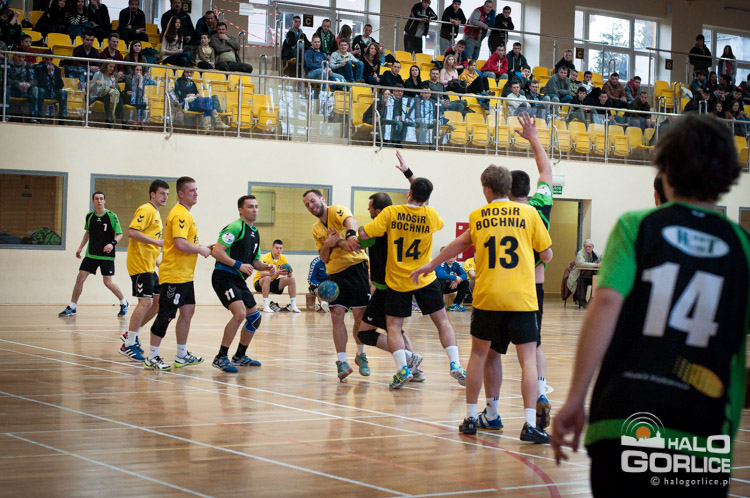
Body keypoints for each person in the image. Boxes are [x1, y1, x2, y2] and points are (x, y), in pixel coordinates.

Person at [551, 114, 749, 497]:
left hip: (623, 417)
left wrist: (575, 397)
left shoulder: (636, 226)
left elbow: (605, 304)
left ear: (666, 171)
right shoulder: (742, 246)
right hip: (703, 431)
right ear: (729, 175)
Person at [410, 163, 552, 441]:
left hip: (488, 297)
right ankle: (529, 425)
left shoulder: (478, 216)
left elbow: (459, 244)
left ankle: (471, 418)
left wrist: (430, 265)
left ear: (486, 188)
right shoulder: (530, 214)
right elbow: (546, 254)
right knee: (528, 359)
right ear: (508, 187)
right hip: (522, 298)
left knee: (479, 355)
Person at [475, 113, 555, 433]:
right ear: (530, 189)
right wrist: (534, 139)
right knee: (533, 349)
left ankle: (491, 411)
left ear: (506, 190)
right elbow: (547, 171)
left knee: (493, 352)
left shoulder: (502, 213)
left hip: (501, 288)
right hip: (533, 289)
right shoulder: (540, 205)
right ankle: (540, 392)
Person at [359, 169, 466, 389]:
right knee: (442, 322)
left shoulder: (391, 213)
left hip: (399, 280)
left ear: (409, 192)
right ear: (427, 198)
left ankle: (403, 369)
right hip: (425, 278)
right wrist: (410, 175)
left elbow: (365, 234)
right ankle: (455, 364)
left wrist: (358, 231)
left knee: (394, 327)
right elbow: (429, 210)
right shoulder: (431, 215)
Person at [355, 158, 426, 382]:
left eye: (369, 208)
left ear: (378, 211)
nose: (368, 211)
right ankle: (415, 369)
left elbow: (358, 240)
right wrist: (409, 174)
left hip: (386, 287)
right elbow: (422, 196)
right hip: (401, 283)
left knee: (366, 332)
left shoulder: (375, 230)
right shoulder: (403, 222)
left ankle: (409, 360)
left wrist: (349, 234)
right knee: (396, 329)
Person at [302, 189, 371, 381]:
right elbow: (324, 258)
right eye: (307, 204)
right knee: (336, 316)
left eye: (312, 201)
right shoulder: (316, 228)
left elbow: (351, 221)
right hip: (335, 275)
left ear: (322, 199)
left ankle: (361, 354)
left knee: (359, 317)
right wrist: (329, 244)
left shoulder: (336, 211)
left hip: (356, 269)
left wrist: (349, 236)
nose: (310, 206)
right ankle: (341, 361)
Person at [146, 176, 213, 371]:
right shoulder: (180, 214)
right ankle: (151, 357)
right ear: (181, 194)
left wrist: (204, 247)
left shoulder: (186, 214)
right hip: (174, 275)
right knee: (166, 315)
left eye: (196, 189)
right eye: (192, 190)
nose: (196, 193)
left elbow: (187, 243)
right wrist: (200, 249)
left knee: (188, 311)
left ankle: (182, 355)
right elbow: (179, 243)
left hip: (185, 275)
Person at [210, 195, 277, 372]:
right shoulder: (235, 227)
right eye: (250, 207)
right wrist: (238, 265)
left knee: (254, 318)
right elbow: (217, 251)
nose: (254, 210)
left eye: (256, 206)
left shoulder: (255, 233)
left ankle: (239, 356)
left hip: (238, 280)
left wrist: (267, 266)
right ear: (241, 210)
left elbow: (254, 262)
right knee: (240, 314)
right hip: (224, 276)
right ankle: (220, 357)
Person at [119, 179, 169, 361]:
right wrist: (157, 242)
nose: (165, 197)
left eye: (167, 194)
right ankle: (128, 344)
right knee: (145, 302)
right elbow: (132, 232)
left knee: (157, 303)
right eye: (162, 193)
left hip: (149, 264)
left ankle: (131, 334)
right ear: (152, 194)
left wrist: (159, 262)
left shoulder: (156, 213)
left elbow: (151, 245)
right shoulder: (146, 209)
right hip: (139, 264)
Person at [59, 191, 129, 318]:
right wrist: (80, 247)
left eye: (101, 198)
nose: (99, 201)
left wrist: (112, 244)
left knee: (108, 283)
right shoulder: (89, 216)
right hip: (91, 254)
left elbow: (120, 234)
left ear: (104, 201)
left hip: (106, 255)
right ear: (93, 201)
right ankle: (72, 307)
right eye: (96, 199)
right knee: (80, 278)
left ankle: (124, 302)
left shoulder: (112, 216)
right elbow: (88, 233)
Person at [253, 239, 301, 313]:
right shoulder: (265, 258)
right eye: (277, 248)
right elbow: (261, 274)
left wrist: (289, 273)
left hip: (272, 283)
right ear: (272, 248)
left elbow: (288, 274)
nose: (279, 250)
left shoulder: (283, 258)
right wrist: (275, 273)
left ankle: (293, 305)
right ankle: (265, 306)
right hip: (260, 283)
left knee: (292, 279)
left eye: (280, 248)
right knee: (267, 278)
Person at [566, 239, 600, 307]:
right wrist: (596, 265)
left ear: (593, 247)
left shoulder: (597, 254)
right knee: (582, 279)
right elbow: (581, 264)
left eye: (589, 246)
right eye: (586, 246)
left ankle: (592, 300)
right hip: (579, 275)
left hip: (591, 276)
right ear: (583, 247)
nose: (587, 248)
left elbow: (603, 261)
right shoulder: (580, 253)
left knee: (597, 279)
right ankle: (582, 300)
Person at [34, 52, 67, 120]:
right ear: (43, 59)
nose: (49, 62)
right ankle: (39, 117)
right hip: (43, 92)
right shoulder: (38, 68)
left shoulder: (57, 69)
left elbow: (61, 85)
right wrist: (48, 73)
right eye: (47, 59)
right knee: (41, 90)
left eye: (51, 59)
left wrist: (53, 75)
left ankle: (62, 119)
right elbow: (40, 83)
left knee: (63, 92)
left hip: (53, 92)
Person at [8, 53, 39, 121]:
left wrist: (29, 84)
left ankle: (32, 117)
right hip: (12, 90)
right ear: (14, 56)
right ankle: (5, 115)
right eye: (19, 56)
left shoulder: (27, 66)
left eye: (23, 57)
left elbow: (34, 80)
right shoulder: (7, 64)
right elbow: (4, 79)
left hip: (24, 90)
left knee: (35, 89)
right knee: (6, 88)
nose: (21, 59)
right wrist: (17, 84)